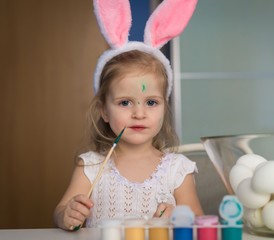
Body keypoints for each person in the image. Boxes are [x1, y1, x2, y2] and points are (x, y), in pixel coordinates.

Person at [54, 0, 202, 231]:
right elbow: (61, 211)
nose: (139, 114)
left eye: (151, 102)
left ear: (164, 106)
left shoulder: (178, 170)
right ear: (104, 110)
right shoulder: (91, 166)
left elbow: (198, 222)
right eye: (125, 103)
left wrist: (180, 217)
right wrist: (67, 214)